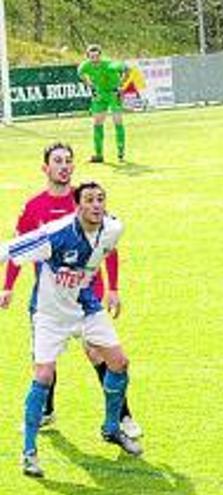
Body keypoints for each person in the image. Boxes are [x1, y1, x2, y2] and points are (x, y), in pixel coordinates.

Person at [1, 181, 143, 478]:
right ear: (77, 206)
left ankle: (112, 428)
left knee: (119, 362)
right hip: (50, 314)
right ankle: (29, 452)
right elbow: (10, 249)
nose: (96, 205)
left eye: (101, 199)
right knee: (43, 375)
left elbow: (107, 250)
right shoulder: (55, 234)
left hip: (85, 306)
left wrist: (111, 287)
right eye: (89, 200)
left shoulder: (114, 228)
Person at [77, 44, 128, 163]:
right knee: (97, 123)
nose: (94, 59)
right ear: (88, 57)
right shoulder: (85, 66)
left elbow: (127, 69)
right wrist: (90, 86)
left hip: (113, 94)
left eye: (96, 56)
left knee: (117, 121)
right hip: (100, 95)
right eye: (92, 57)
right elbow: (80, 74)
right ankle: (99, 155)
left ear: (100, 56)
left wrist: (121, 86)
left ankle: (121, 152)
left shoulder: (110, 64)